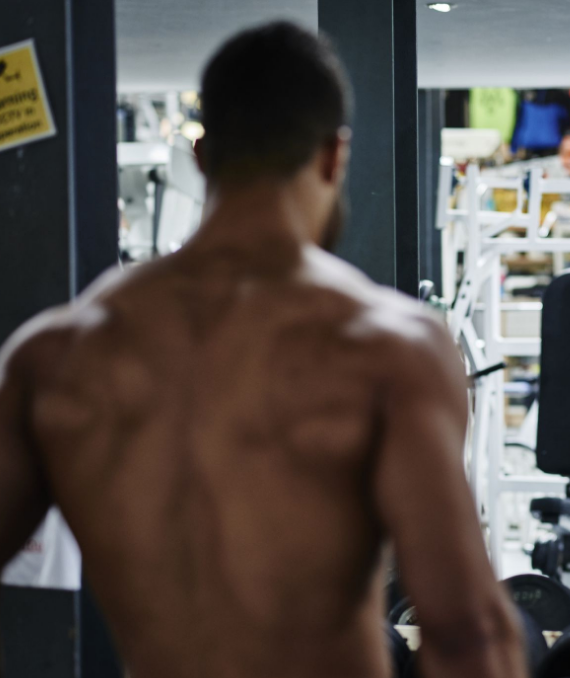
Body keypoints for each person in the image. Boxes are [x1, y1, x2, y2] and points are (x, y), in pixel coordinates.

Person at [0, 23, 527, 678]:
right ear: (335, 157)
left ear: (200, 156)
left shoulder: (54, 355)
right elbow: (470, 635)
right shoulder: (390, 349)